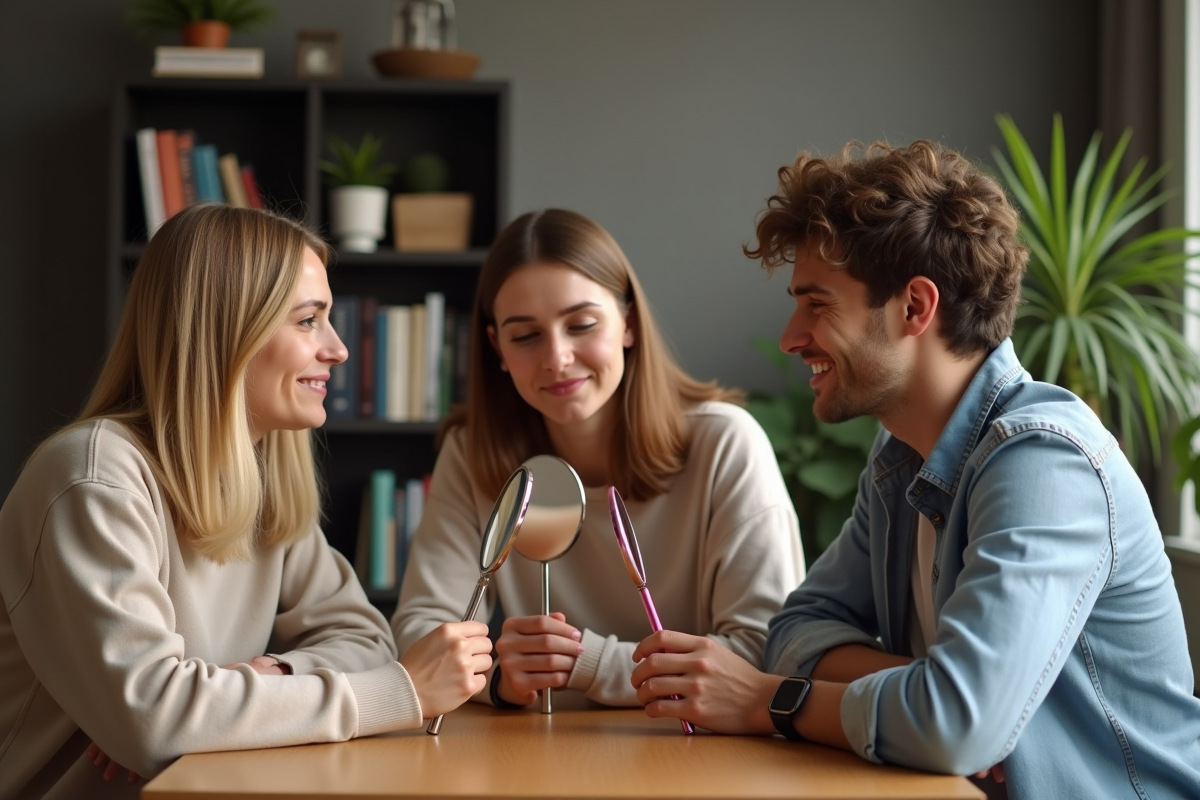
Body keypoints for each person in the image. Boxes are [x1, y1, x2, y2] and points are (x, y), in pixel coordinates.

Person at [629, 141, 1200, 799]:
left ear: (915, 307)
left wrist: (772, 703)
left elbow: (953, 725)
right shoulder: (901, 455)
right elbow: (794, 631)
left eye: (817, 303)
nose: (790, 336)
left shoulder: (1046, 462)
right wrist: (923, 690)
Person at [0, 204, 494, 800]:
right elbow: (154, 726)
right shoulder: (92, 479)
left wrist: (264, 678)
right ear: (225, 329)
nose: (337, 349)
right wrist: (399, 693)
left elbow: (366, 640)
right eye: (308, 321)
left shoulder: (263, 477)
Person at [392, 208, 805, 709]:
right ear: (497, 347)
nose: (557, 358)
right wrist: (499, 678)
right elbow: (422, 633)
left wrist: (587, 663)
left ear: (628, 323)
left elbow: (765, 654)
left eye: (582, 324)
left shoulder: (726, 445)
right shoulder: (472, 453)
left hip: (692, 753)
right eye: (525, 336)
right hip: (532, 760)